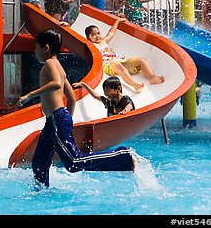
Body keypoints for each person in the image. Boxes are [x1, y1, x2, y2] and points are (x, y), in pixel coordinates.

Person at [15, 29, 135, 188]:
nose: (35, 52)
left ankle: (122, 156)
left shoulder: (50, 63)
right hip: (55, 120)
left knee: (73, 162)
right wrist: (67, 119)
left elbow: (56, 83)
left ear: (46, 48)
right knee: (39, 161)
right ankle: (41, 191)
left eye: (36, 48)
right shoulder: (59, 65)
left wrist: (30, 95)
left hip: (57, 118)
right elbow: (71, 98)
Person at [85, 17, 165, 94]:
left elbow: (111, 33)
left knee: (141, 60)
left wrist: (117, 21)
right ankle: (135, 85)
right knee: (120, 67)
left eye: (98, 33)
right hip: (108, 64)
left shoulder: (104, 41)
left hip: (119, 59)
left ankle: (152, 77)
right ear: (88, 37)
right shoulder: (91, 46)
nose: (97, 36)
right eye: (93, 35)